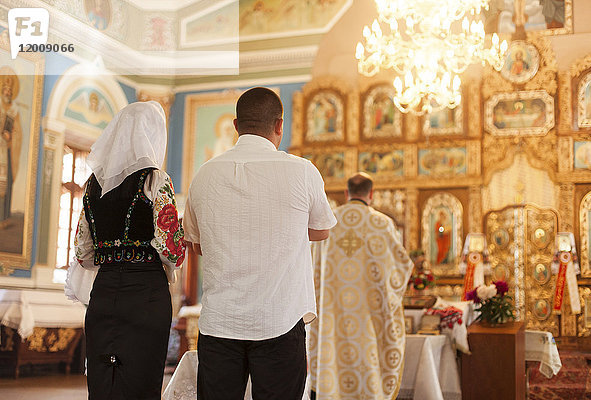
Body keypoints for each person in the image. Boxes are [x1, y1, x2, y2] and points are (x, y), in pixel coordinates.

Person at [183, 87, 336, 400]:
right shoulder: (302, 171)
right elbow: (322, 230)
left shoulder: (204, 174)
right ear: (279, 126)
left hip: (220, 323)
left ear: (237, 126)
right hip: (279, 318)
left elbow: (197, 245)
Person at [72, 101, 186, 400]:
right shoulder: (155, 179)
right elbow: (171, 248)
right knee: (141, 382)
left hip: (104, 293)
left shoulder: (92, 185)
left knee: (103, 382)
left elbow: (82, 251)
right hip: (146, 295)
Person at [309, 172, 413, 400]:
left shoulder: (329, 222)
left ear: (346, 193)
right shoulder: (382, 224)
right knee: (369, 372)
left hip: (331, 315)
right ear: (371, 194)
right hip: (368, 316)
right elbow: (400, 269)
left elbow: (311, 268)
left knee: (332, 368)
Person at [0, 67, 22, 226]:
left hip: (6, 150)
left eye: (9, 90)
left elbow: (18, 132)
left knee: (6, 185)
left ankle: (4, 217)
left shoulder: (15, 110)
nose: (7, 92)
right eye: (5, 89)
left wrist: (11, 136)